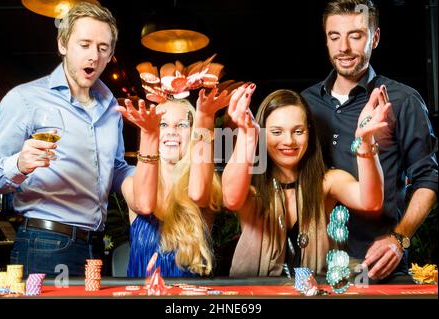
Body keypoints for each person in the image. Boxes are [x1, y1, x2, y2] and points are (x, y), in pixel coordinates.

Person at [0, 2, 134, 276]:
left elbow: (115, 169)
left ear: (110, 53)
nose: (93, 56)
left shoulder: (111, 107)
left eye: (103, 48)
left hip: (95, 245)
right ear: (63, 45)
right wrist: (19, 164)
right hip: (44, 243)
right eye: (85, 44)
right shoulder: (26, 99)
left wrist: (156, 173)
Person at [301, 0, 438, 280]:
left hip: (376, 266)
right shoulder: (305, 103)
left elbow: (428, 178)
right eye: (334, 36)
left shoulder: (402, 101)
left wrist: (400, 238)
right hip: (312, 268)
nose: (344, 48)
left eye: (356, 35)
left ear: (374, 38)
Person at [222, 84, 390, 276]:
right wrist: (248, 135)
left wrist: (365, 140)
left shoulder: (327, 182)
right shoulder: (250, 186)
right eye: (277, 132)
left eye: (298, 131)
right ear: (262, 133)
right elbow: (232, 199)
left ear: (309, 133)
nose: (289, 141)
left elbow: (371, 202)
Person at [117, 88, 231, 277]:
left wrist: (205, 118)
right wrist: (149, 134)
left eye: (182, 125)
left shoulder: (207, 186)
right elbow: (145, 204)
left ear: (193, 134)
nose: (171, 131)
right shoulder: (131, 183)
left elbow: (199, 193)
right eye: (162, 124)